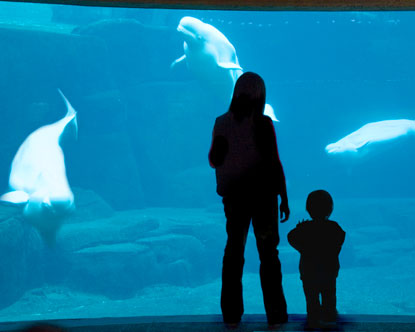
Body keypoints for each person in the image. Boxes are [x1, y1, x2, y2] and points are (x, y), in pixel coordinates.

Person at [209, 72, 290, 328]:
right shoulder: (263, 123)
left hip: (234, 197)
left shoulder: (221, 122)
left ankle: (231, 314)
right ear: (260, 96)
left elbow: (214, 160)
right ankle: (276, 314)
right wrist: (284, 197)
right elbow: (274, 163)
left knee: (234, 252)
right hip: (264, 197)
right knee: (269, 254)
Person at [287, 190, 345, 329]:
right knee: (329, 294)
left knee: (311, 297)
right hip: (329, 270)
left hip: (309, 271)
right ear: (331, 208)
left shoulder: (304, 228)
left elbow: (291, 237)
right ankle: (329, 317)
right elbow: (340, 239)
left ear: (308, 209)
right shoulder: (334, 227)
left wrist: (302, 243)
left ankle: (313, 319)